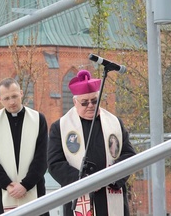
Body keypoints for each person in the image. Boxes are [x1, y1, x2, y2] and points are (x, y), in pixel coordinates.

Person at [48, 70, 137, 216]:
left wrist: (112, 176)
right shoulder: (61, 127)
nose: (90, 105)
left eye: (94, 101)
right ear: (75, 102)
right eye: (84, 102)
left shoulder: (114, 123)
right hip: (79, 196)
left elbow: (129, 155)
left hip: (111, 194)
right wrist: (84, 181)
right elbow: (55, 163)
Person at [0, 78, 49, 216]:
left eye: (14, 96)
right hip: (2, 191)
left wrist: (25, 185)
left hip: (33, 188)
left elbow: (42, 157)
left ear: (21, 93)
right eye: (6, 98)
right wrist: (8, 185)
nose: (11, 102)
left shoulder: (38, 119)